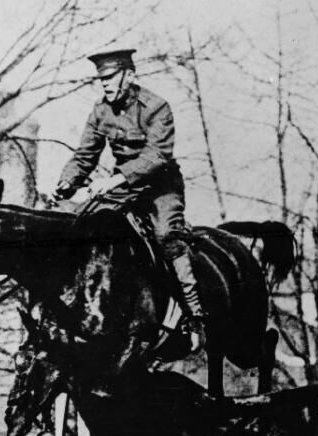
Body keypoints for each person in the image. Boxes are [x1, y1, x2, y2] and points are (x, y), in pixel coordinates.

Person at [53, 47, 207, 351]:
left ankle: (194, 315)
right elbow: (85, 154)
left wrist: (115, 179)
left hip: (161, 187)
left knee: (167, 238)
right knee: (81, 226)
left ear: (130, 75)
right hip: (123, 189)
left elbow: (157, 156)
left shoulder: (156, 107)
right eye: (101, 79)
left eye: (110, 77)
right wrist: (67, 181)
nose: (105, 84)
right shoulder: (100, 111)